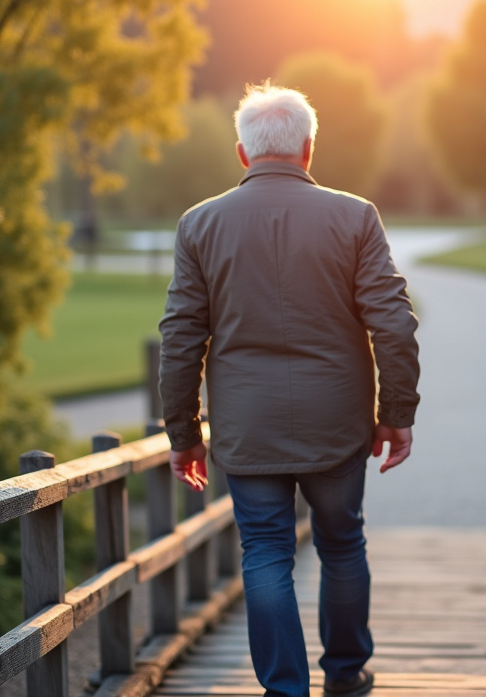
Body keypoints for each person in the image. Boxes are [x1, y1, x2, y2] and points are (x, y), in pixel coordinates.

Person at [160, 83, 420, 697]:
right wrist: (396, 413)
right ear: (308, 148)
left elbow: (180, 337)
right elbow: (394, 323)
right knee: (342, 540)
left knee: (266, 552)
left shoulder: (199, 224)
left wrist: (183, 433)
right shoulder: (356, 216)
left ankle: (284, 689)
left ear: (242, 153)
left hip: (248, 426)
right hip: (337, 421)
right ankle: (347, 671)